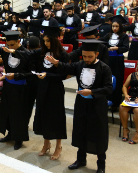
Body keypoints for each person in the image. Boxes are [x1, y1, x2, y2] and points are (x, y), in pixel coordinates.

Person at [46, 39, 112, 173]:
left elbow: (108, 89)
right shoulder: (80, 64)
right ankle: (81, 159)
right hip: (81, 103)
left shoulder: (104, 68)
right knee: (81, 130)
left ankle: (101, 165)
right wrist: (56, 63)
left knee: (98, 133)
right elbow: (68, 67)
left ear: (97, 54)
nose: (87, 59)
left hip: (97, 105)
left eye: (90, 56)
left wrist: (92, 92)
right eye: (85, 56)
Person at [30, 26, 69, 160]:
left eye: (48, 41)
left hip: (55, 88)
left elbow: (62, 75)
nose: (46, 44)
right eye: (44, 41)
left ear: (55, 40)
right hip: (42, 87)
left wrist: (47, 75)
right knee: (43, 115)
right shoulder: (42, 53)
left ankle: (58, 146)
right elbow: (33, 64)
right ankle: (46, 143)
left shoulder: (62, 55)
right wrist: (39, 74)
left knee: (56, 117)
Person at [99, 15, 129, 108]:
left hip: (118, 61)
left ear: (120, 27)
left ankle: (115, 103)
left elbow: (126, 47)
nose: (114, 28)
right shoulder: (108, 35)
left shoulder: (124, 36)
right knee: (107, 80)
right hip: (108, 60)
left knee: (117, 80)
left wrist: (117, 48)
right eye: (113, 26)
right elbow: (100, 41)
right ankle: (106, 101)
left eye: (116, 26)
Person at [119, 71, 138, 144]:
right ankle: (125, 129)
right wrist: (126, 95)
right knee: (122, 107)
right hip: (131, 98)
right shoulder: (132, 75)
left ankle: (137, 133)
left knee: (137, 110)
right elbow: (125, 86)